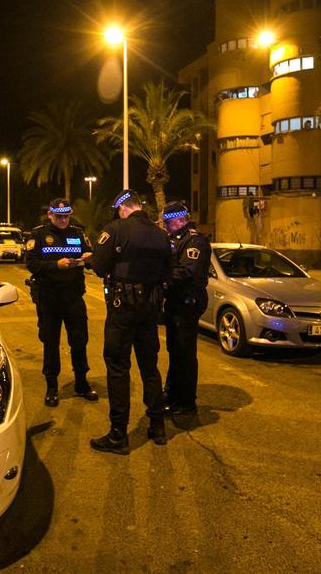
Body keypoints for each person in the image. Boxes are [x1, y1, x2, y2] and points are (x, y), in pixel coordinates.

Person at [89, 189, 172, 454]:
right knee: (149, 366)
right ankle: (157, 425)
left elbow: (99, 267)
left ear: (124, 208)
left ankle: (118, 434)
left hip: (122, 306)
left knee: (117, 366)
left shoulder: (116, 228)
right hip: (150, 307)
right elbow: (168, 272)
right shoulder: (161, 235)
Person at [25, 198, 98, 407]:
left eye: (66, 216)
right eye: (59, 216)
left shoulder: (78, 234)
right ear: (50, 215)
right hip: (49, 298)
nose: (63, 220)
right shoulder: (38, 235)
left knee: (79, 340)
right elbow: (32, 264)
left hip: (74, 297)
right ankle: (52, 386)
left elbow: (91, 261)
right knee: (50, 342)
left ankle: (81, 383)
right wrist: (56, 265)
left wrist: (89, 258)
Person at [161, 200, 211, 415]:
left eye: (167, 222)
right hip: (175, 302)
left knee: (185, 353)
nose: (165, 226)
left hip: (187, 302)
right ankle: (172, 392)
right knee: (174, 350)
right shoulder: (174, 239)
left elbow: (187, 272)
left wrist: (159, 277)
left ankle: (186, 400)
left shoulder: (194, 241)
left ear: (180, 219)